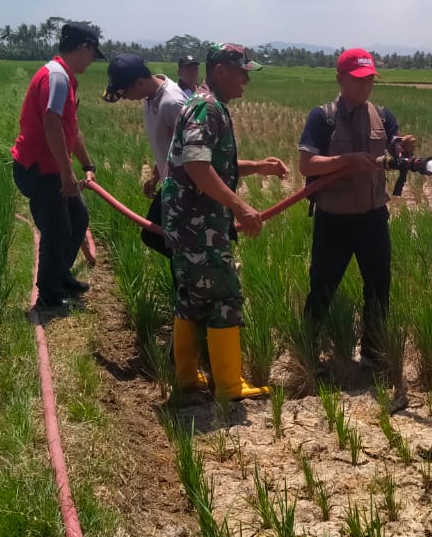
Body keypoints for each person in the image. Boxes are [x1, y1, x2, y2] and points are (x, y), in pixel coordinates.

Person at [161, 43, 288, 399]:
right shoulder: (206, 108)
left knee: (191, 296)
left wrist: (258, 166)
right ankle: (231, 387)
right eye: (241, 71)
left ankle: (186, 378)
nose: (247, 78)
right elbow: (197, 168)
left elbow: (212, 166)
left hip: (188, 224)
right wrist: (240, 208)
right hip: (199, 226)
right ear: (219, 71)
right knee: (224, 295)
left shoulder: (207, 105)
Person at [298, 48, 416, 374]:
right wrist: (345, 161)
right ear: (340, 79)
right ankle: (307, 353)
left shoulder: (383, 115)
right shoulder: (322, 118)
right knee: (323, 286)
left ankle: (373, 356)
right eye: (359, 79)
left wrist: (404, 147)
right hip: (333, 219)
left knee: (378, 286)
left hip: (373, 218)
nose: (366, 86)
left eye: (370, 80)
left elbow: (393, 145)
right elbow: (307, 163)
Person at [11, 21, 104, 310]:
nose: (92, 60)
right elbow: (51, 123)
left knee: (77, 219)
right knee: (57, 228)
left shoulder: (63, 76)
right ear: (83, 48)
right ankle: (49, 294)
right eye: (92, 53)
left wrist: (87, 163)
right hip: (40, 166)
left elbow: (70, 129)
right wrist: (66, 171)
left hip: (52, 164)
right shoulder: (57, 77)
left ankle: (60, 276)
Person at [102, 53, 188, 256]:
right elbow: (170, 146)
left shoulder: (173, 103)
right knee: (155, 237)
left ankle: (210, 266)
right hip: (170, 183)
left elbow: (193, 152)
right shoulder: (150, 97)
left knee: (165, 240)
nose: (126, 98)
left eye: (125, 93)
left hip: (185, 191)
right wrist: (156, 175)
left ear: (140, 82)